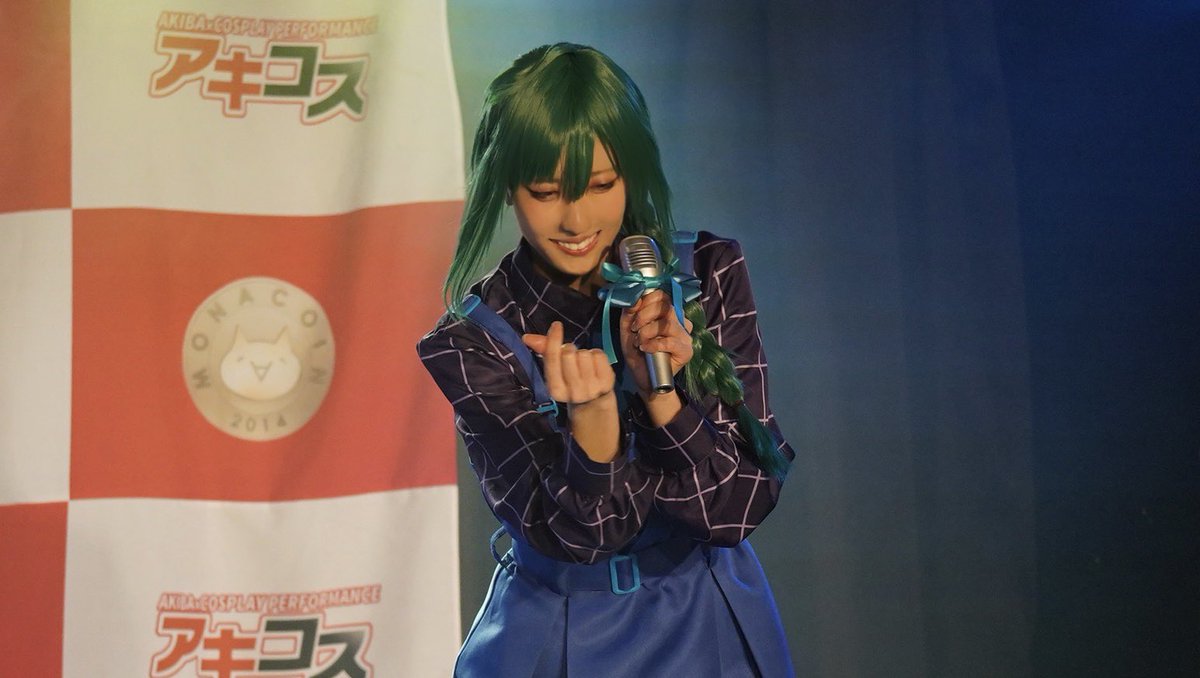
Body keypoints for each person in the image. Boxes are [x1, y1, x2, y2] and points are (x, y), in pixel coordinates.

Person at [417, 43, 795, 677]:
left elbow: (737, 508)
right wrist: (594, 426)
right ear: (504, 185)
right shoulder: (474, 340)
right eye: (545, 192)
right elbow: (582, 540)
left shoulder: (705, 272)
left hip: (708, 617)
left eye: (601, 185)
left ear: (632, 173)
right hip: (561, 626)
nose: (577, 220)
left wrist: (662, 396)